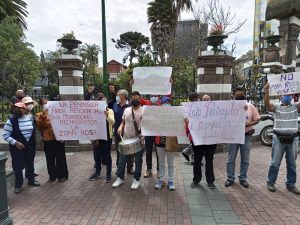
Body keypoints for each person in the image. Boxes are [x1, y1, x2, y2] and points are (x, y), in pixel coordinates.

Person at [264, 83, 300, 195]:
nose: (287, 96)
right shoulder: (276, 107)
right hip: (278, 139)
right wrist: (267, 92)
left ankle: (291, 184)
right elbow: (267, 104)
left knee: (292, 164)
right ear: (281, 97)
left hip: (293, 139)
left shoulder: (295, 107)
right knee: (275, 162)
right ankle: (270, 182)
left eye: (289, 94)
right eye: (285, 95)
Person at [225, 87, 260, 188]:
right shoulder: (229, 107)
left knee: (245, 159)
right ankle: (230, 178)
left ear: (244, 95)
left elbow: (257, 119)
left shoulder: (250, 106)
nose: (240, 96)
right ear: (234, 96)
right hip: (233, 136)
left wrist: (249, 123)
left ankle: (243, 178)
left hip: (246, 135)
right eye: (238, 95)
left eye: (241, 95)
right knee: (231, 158)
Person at [3, 102, 40, 194]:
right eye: (16, 108)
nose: (18, 110)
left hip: (30, 145)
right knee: (18, 166)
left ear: (25, 109)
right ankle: (18, 185)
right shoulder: (11, 121)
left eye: (20, 108)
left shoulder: (30, 118)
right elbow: (5, 135)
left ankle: (31, 180)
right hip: (17, 148)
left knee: (30, 163)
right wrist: (15, 142)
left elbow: (35, 130)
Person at [112, 91, 144, 189]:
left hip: (139, 140)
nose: (134, 99)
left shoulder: (144, 111)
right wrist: (120, 127)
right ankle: (120, 178)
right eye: (133, 98)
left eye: (136, 98)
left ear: (140, 99)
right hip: (126, 139)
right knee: (122, 160)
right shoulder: (126, 110)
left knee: (138, 161)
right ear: (130, 99)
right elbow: (123, 122)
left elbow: (147, 126)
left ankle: (136, 180)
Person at [35, 98, 69, 183]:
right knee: (50, 159)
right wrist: (44, 113)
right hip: (48, 139)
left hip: (59, 138)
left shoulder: (59, 112)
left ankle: (62, 176)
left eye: (47, 103)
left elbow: (65, 123)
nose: (46, 105)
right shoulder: (39, 115)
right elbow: (39, 124)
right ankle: (52, 176)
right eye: (44, 104)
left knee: (60, 158)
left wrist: (63, 136)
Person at [189, 94, 217, 189]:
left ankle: (210, 181)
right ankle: (196, 180)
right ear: (200, 101)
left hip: (211, 140)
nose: (206, 100)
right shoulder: (196, 110)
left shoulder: (217, 110)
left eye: (208, 99)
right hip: (198, 140)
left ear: (211, 100)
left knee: (209, 161)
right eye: (204, 99)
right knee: (197, 160)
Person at [89, 93, 115, 183]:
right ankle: (97, 172)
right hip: (97, 137)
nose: (104, 103)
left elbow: (113, 123)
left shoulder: (110, 111)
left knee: (107, 156)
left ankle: (108, 174)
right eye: (101, 101)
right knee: (97, 156)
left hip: (107, 137)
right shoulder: (93, 111)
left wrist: (107, 115)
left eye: (105, 101)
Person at [154, 96, 176, 191]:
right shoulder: (156, 115)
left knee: (170, 163)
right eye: (164, 103)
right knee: (161, 162)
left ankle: (171, 180)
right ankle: (161, 179)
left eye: (168, 102)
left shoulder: (175, 114)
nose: (166, 104)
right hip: (159, 142)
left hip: (170, 142)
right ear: (161, 104)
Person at [112, 90, 134, 174]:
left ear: (124, 96)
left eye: (118, 95)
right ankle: (119, 168)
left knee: (129, 151)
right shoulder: (115, 105)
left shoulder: (130, 106)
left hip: (128, 132)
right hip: (118, 132)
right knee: (119, 151)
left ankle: (130, 167)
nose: (117, 97)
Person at [143, 95, 160, 178]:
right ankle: (149, 169)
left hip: (158, 133)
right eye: (152, 95)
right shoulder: (146, 103)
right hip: (148, 132)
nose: (154, 97)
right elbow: (139, 98)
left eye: (155, 95)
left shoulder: (162, 104)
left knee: (159, 152)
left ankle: (159, 169)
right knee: (148, 151)